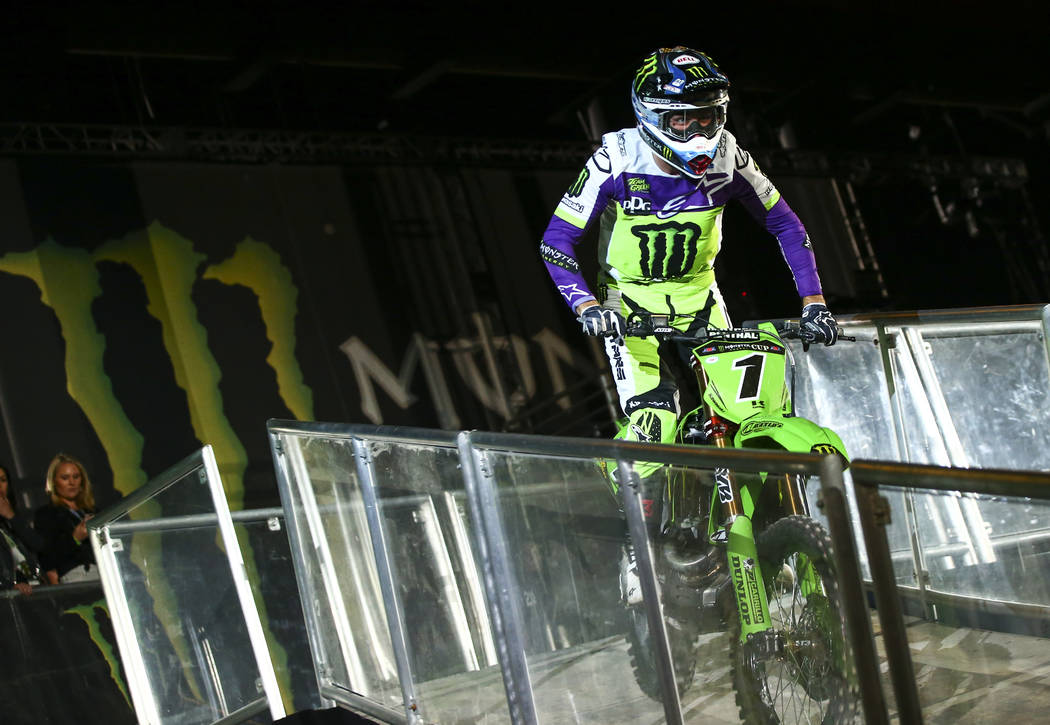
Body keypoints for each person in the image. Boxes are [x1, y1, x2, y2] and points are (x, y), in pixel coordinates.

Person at [539, 46, 838, 604]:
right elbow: (557, 241)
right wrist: (586, 306)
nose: (700, 133)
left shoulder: (731, 156)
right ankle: (639, 549)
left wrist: (814, 300)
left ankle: (754, 535)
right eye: (683, 119)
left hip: (703, 300)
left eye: (708, 116)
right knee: (655, 426)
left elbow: (788, 226)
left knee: (750, 414)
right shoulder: (616, 159)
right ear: (651, 115)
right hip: (629, 307)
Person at [33, 453, 99, 584]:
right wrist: (75, 539)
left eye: (76, 477)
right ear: (54, 482)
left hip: (104, 573)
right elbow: (47, 557)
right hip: (74, 577)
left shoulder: (93, 511)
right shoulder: (47, 514)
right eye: (65, 478)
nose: (72, 482)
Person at [0, 462, 46, 595]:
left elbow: (38, 545)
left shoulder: (12, 521)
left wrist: (11, 517)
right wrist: (9, 587)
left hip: (37, 591)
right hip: (9, 599)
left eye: (3, 480)